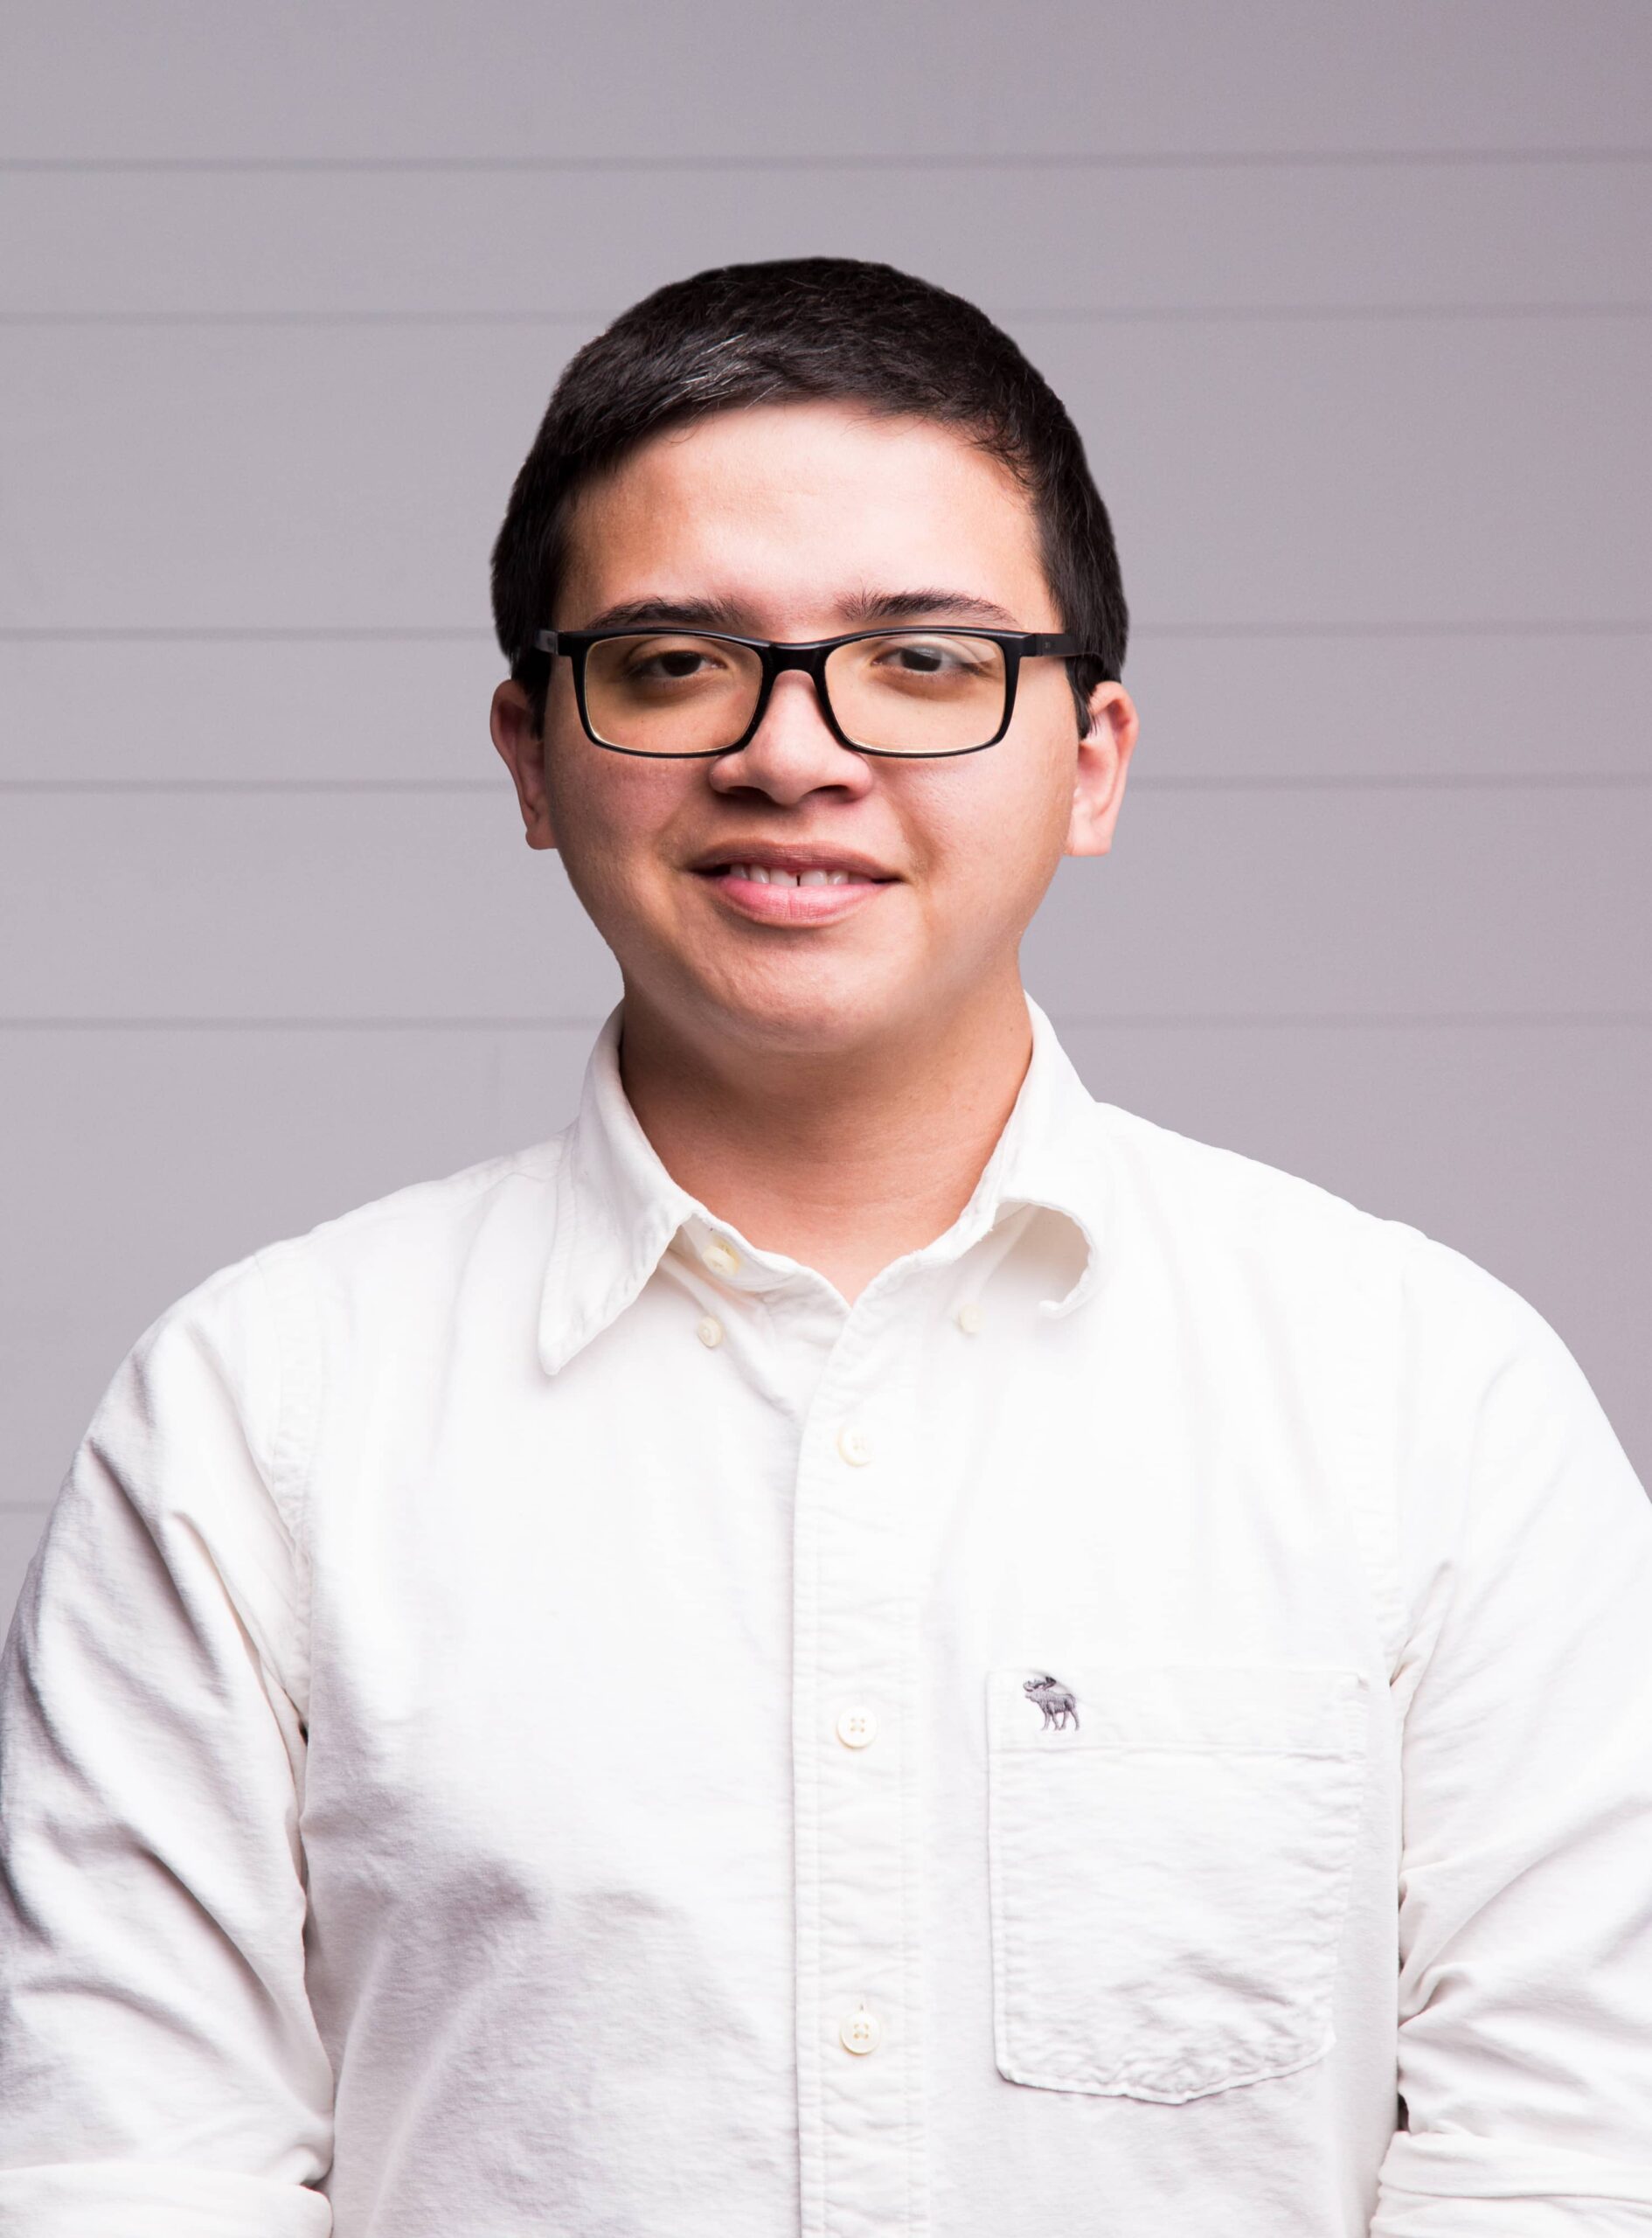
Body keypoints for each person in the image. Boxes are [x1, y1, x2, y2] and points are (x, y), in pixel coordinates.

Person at [1, 256, 1649, 2238]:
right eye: (676, 659)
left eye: (927, 660)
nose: (796, 751)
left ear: (1093, 756)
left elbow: (1568, 2161)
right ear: (532, 753)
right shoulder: (255, 1419)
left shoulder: (1422, 1394)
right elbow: (123, 2177)